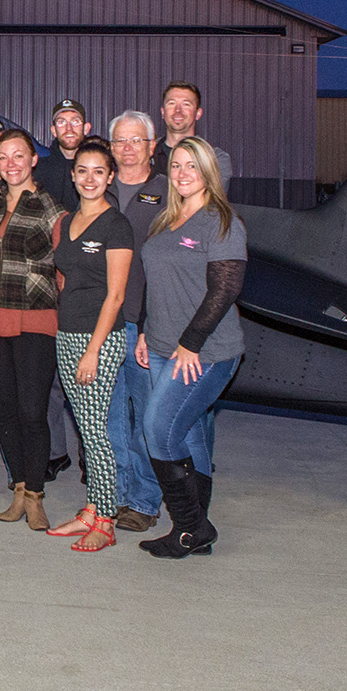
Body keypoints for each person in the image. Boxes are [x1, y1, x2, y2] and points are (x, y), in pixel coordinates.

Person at [137, 136, 248, 559]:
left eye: (192, 166)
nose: (183, 174)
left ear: (209, 173)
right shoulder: (168, 218)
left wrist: (190, 344)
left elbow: (224, 290)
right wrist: (147, 330)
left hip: (206, 351)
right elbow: (155, 280)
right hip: (162, 345)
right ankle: (198, 527)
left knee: (159, 430)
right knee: (191, 433)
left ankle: (186, 527)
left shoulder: (221, 222)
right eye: (177, 166)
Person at [0, 128, 64, 534]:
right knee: (4, 410)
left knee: (31, 410)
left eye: (18, 156)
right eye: (3, 156)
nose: (10, 163)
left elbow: (64, 269)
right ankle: (19, 491)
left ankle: (37, 497)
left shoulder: (52, 211)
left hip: (34, 317)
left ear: (33, 160)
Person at [48, 140, 135, 552]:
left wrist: (93, 350)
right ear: (73, 174)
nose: (89, 178)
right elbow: (64, 276)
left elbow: (116, 296)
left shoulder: (116, 225)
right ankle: (90, 509)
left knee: (96, 432)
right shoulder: (66, 222)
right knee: (85, 427)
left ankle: (106, 520)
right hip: (67, 333)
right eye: (82, 170)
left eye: (98, 171)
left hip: (98, 339)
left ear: (110, 177)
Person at [104, 109, 165, 532]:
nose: (128, 149)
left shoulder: (168, 192)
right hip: (105, 325)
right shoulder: (97, 190)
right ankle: (117, 495)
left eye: (136, 141)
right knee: (108, 419)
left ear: (152, 146)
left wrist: (152, 326)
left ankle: (145, 500)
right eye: (120, 141)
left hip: (145, 327)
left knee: (146, 419)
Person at [153, 82, 233, 184]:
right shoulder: (146, 154)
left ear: (198, 113)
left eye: (186, 104)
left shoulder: (215, 158)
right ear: (163, 112)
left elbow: (211, 197)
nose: (178, 110)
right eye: (172, 103)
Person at [34, 99, 87, 210]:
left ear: (86, 128)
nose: (69, 129)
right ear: (54, 131)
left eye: (75, 122)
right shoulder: (38, 170)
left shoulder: (98, 168)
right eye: (61, 122)